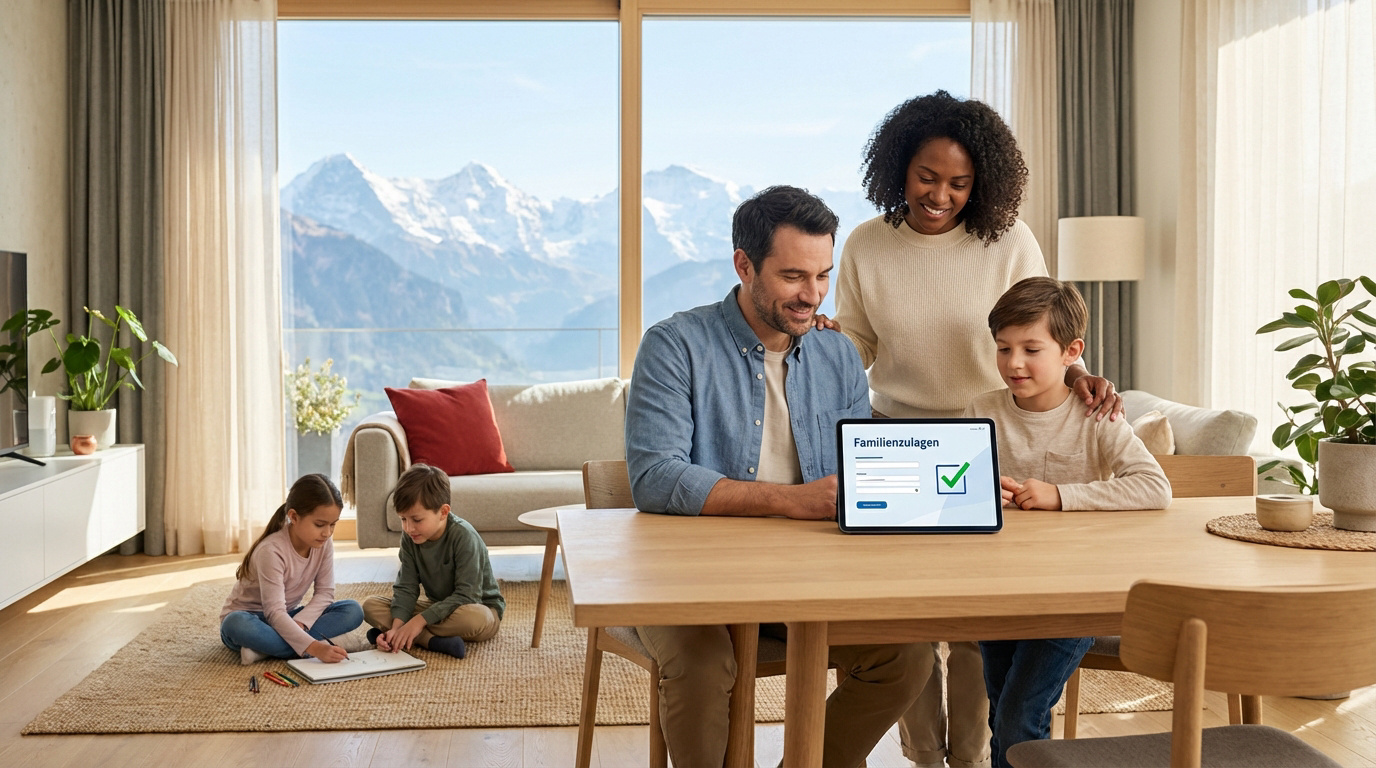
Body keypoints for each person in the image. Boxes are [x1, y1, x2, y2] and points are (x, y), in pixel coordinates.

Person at [816, 90, 1125, 768]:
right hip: (895, 434)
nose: (941, 195)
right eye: (927, 177)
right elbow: (861, 343)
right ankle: (925, 757)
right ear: (899, 167)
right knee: (907, 616)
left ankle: (972, 758)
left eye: (959, 183)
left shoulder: (1008, 240)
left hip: (992, 436)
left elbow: (1044, 327)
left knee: (979, 618)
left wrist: (1079, 374)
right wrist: (832, 344)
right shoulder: (867, 244)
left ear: (982, 181)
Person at [625, 185, 927, 768]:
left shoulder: (838, 355)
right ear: (744, 265)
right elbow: (656, 478)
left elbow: (858, 469)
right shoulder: (674, 346)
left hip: (807, 577)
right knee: (703, 664)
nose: (811, 295)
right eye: (793, 277)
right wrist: (790, 500)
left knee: (905, 655)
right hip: (688, 576)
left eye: (822, 275)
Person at [967, 276, 1171, 766]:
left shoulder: (1094, 415)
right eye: (1003, 348)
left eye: (1031, 349)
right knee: (1003, 710)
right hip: (1000, 589)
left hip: (1072, 596)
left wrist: (1060, 495)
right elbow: (960, 491)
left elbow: (1154, 486)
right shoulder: (981, 410)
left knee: (1018, 716)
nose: (1014, 363)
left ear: (1071, 352)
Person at [362, 463, 504, 659]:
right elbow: (406, 587)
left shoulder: (464, 536)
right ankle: (426, 640)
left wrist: (418, 621)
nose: (409, 528)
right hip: (438, 608)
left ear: (443, 512)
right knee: (370, 605)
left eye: (416, 520)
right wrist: (397, 625)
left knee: (476, 619)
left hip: (475, 606)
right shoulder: (411, 537)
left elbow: (468, 595)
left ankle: (408, 634)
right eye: (403, 519)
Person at [220, 473, 363, 665]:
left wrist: (301, 623)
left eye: (333, 525)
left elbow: (325, 594)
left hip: (287, 618)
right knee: (234, 623)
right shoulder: (271, 551)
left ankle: (265, 650)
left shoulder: (323, 543)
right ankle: (303, 645)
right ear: (294, 517)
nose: (327, 533)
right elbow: (274, 611)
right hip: (253, 619)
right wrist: (316, 648)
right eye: (319, 525)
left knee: (352, 610)